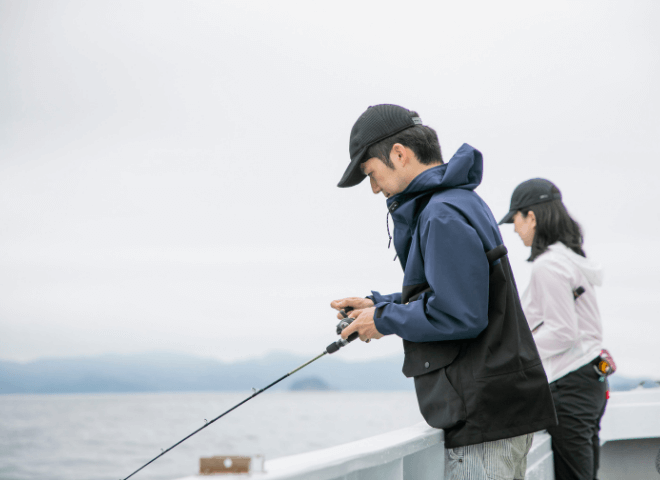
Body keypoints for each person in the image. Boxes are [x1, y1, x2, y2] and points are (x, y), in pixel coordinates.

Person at [331, 104, 557, 480]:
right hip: (501, 410)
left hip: (484, 417)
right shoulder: (458, 201)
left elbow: (459, 313)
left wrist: (385, 321)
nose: (373, 189)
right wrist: (379, 305)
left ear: (399, 154)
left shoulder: (441, 213)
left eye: (371, 173)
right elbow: (458, 292)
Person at [500, 178, 608, 480]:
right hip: (590, 381)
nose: (515, 229)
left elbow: (562, 332)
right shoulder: (571, 260)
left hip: (570, 384)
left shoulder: (548, 265)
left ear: (531, 217)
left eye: (515, 220)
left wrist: (515, 356)